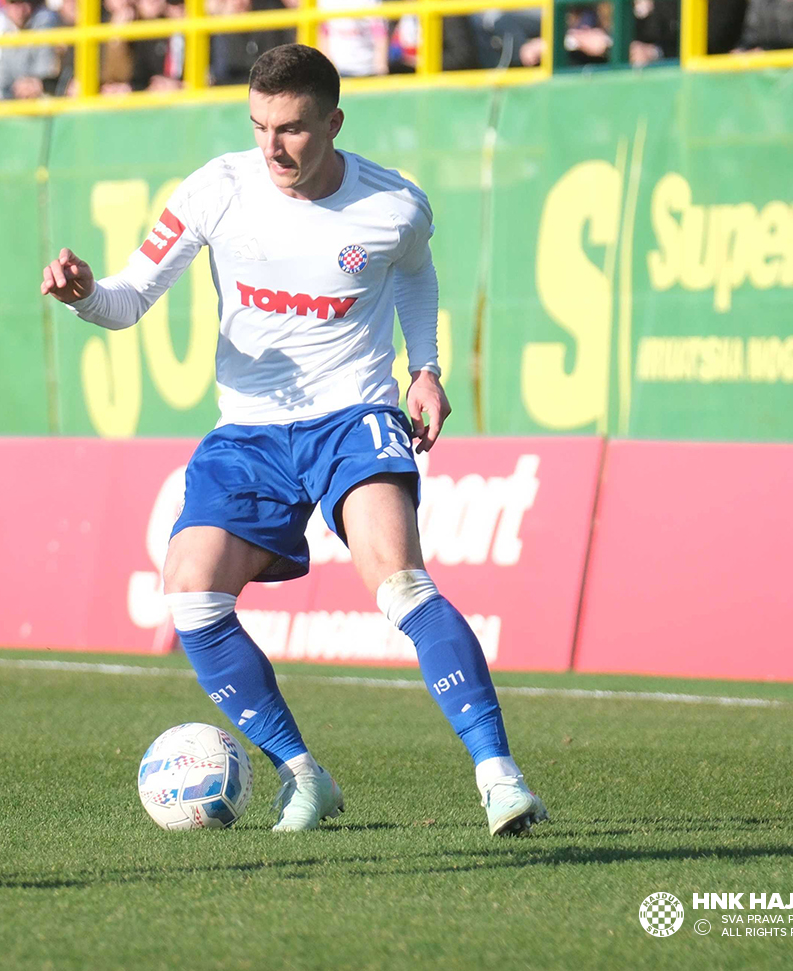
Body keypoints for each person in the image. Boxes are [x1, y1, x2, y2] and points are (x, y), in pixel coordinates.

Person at [40, 45, 547, 837]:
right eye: (260, 126)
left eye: (293, 129)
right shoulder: (219, 187)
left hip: (353, 415)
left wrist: (427, 368)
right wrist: (82, 295)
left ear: (333, 122)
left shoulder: (394, 205)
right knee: (191, 592)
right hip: (248, 429)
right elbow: (128, 299)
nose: (273, 147)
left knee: (399, 581)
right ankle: (303, 774)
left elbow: (414, 271)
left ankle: (498, 775)